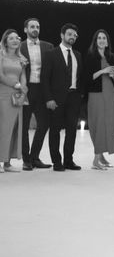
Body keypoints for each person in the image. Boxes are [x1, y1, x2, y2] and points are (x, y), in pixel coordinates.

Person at [42, 23, 83, 171]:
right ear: (62, 35)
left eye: (74, 35)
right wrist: (48, 98)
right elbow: (45, 78)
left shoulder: (77, 55)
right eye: (69, 34)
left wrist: (80, 95)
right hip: (56, 99)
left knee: (72, 131)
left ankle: (68, 160)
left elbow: (79, 77)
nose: (72, 37)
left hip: (74, 98)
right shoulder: (51, 54)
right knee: (55, 131)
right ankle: (57, 162)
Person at [20, 18, 54, 170]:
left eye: (37, 27)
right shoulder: (19, 47)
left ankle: (34, 157)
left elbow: (52, 71)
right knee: (24, 126)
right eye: (32, 26)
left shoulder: (48, 47)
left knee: (44, 124)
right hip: (26, 89)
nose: (35, 29)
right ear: (26, 29)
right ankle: (26, 160)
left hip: (42, 90)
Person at [84, 29, 114, 170]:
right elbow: (87, 77)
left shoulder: (111, 56)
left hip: (111, 94)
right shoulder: (90, 56)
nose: (102, 40)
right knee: (98, 124)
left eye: (104, 38)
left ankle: (102, 156)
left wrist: (113, 76)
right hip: (96, 94)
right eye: (99, 38)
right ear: (95, 41)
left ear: (107, 41)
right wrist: (103, 71)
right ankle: (96, 159)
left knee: (108, 124)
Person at [0, 29, 29, 173]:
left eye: (17, 38)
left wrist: (24, 88)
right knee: (3, 129)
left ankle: (7, 163)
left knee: (13, 129)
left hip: (17, 97)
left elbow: (22, 75)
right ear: (5, 41)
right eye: (11, 38)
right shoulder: (0, 55)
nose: (15, 40)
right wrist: (15, 84)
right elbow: (0, 75)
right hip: (3, 95)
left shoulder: (21, 58)